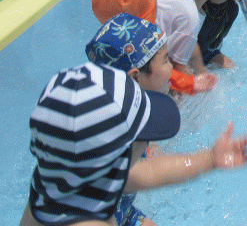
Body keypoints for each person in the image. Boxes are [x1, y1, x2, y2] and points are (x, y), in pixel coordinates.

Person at [83, 13, 247, 226]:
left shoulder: (124, 107)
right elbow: (143, 173)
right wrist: (209, 160)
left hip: (124, 213)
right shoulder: (107, 137)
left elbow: (146, 170)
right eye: (166, 60)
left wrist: (211, 158)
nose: (171, 70)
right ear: (135, 77)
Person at [20, 61, 180, 226]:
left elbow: (150, 172)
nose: (145, 142)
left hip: (125, 214)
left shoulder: (60, 181)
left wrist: (200, 161)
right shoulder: (85, 219)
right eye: (139, 137)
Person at [91, 0, 217, 95]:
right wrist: (188, 83)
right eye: (154, 4)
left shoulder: (103, 44)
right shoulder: (139, 45)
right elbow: (156, 73)